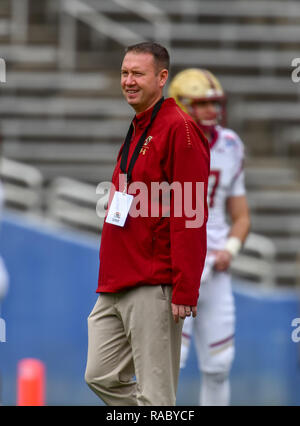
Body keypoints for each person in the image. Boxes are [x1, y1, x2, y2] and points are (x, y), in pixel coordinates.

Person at [85, 43, 210, 406]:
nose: (128, 81)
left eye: (137, 74)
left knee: (157, 395)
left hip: (153, 282)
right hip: (116, 281)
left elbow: (190, 213)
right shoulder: (141, 125)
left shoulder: (180, 130)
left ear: (162, 77)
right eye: (125, 73)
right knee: (100, 375)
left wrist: (185, 289)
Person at [169, 68, 250, 406]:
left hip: (215, 269)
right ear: (182, 105)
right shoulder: (166, 142)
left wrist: (229, 249)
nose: (212, 112)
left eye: (215, 104)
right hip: (175, 267)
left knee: (219, 365)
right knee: (169, 362)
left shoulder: (230, 144)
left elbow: (242, 216)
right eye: (203, 105)